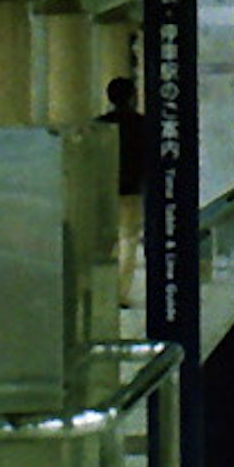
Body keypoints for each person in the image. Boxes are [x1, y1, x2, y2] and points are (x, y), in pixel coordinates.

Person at [99, 75, 151, 303]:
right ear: (132, 96)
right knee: (128, 239)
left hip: (103, 189)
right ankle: (120, 293)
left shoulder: (99, 125)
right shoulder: (143, 124)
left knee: (104, 241)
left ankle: (101, 288)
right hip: (131, 190)